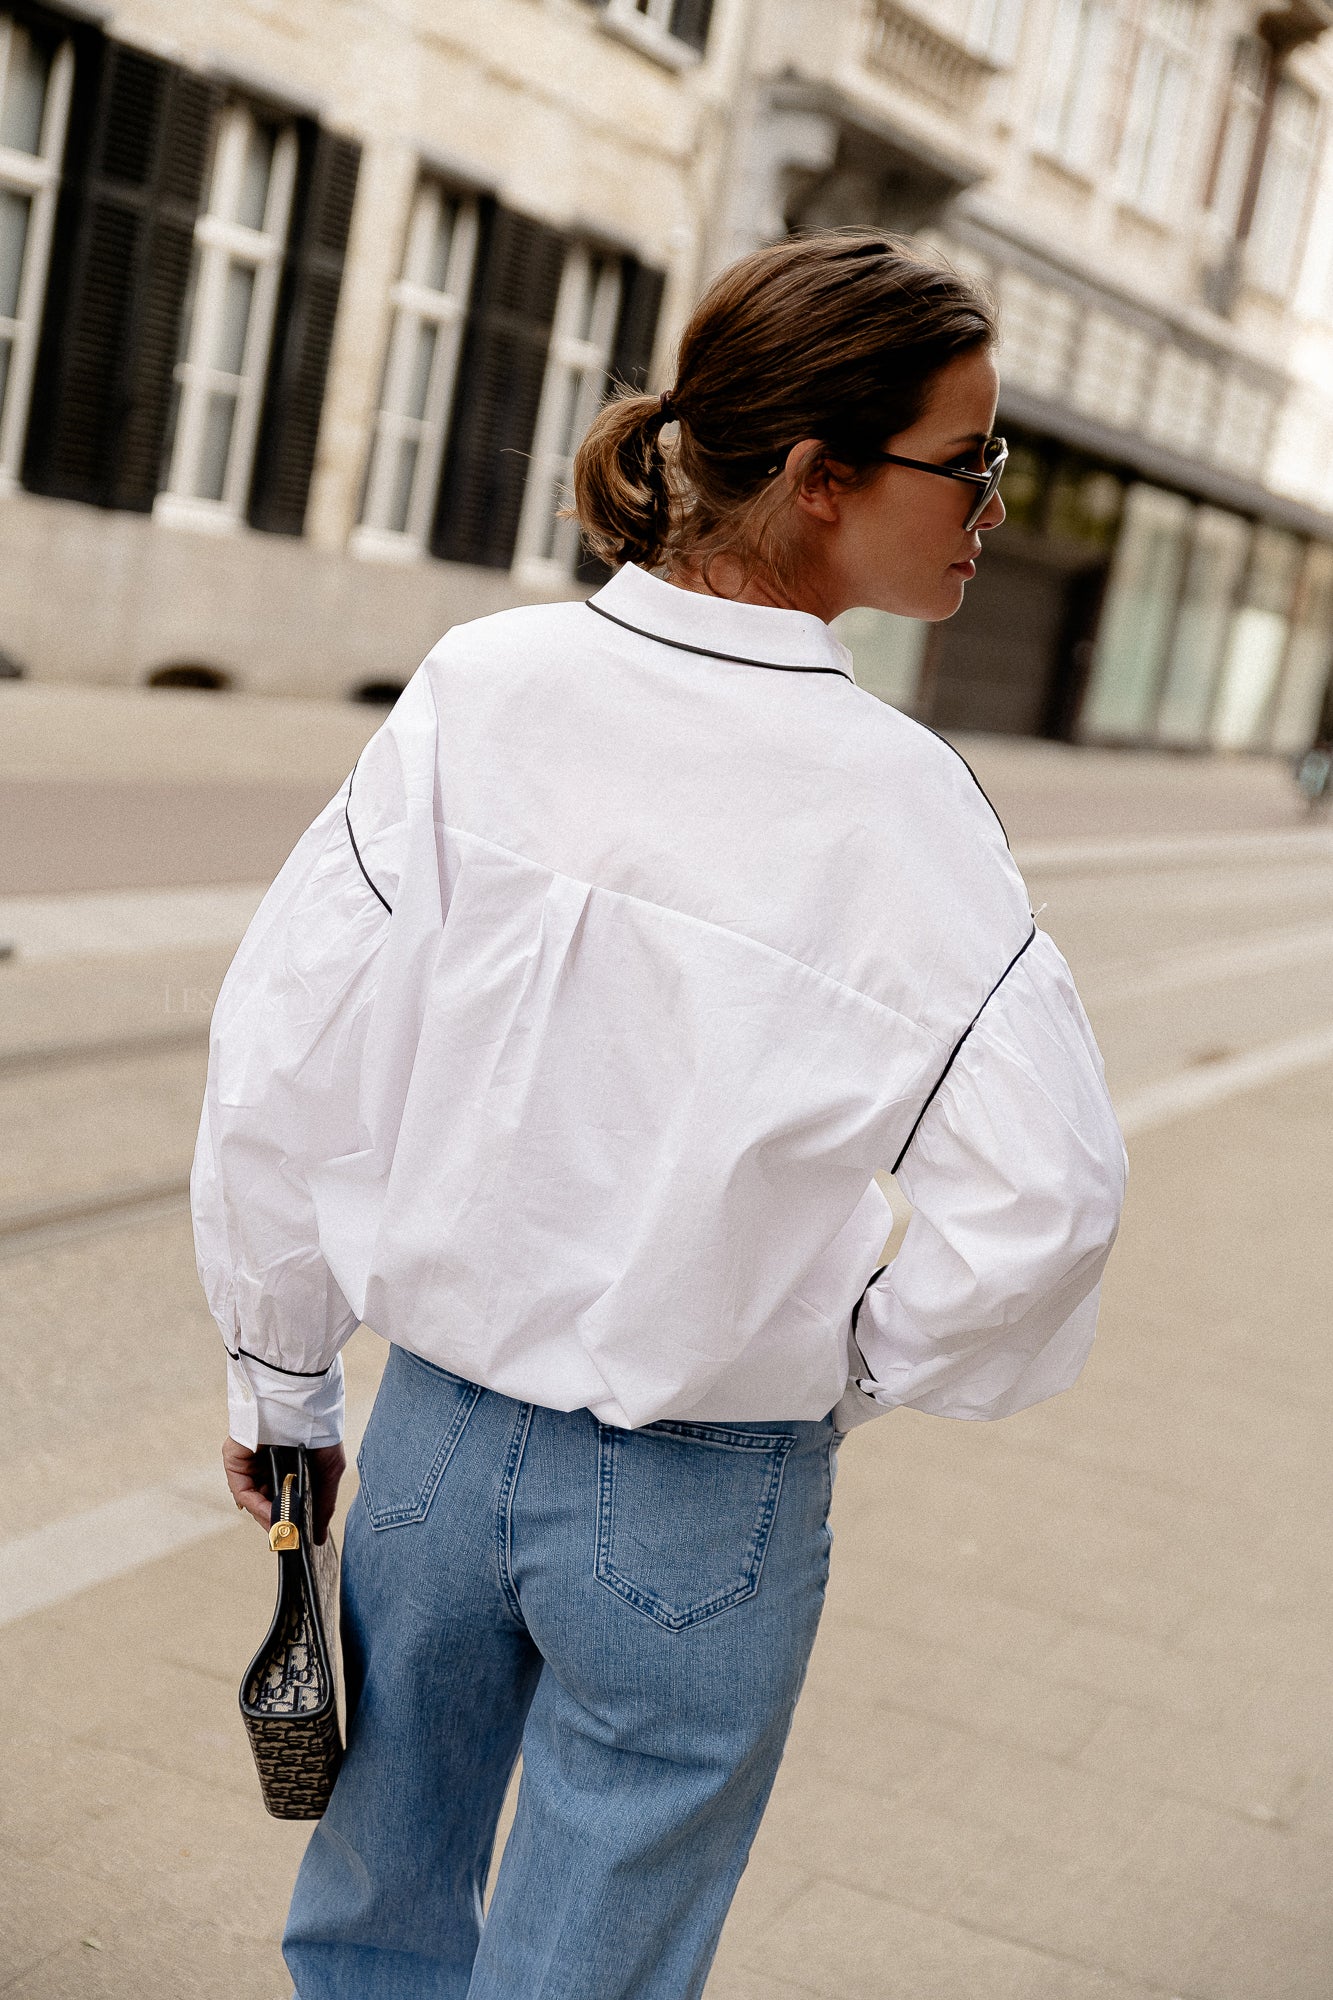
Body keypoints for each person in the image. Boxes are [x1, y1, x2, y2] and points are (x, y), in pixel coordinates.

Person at [194, 229, 1127, 2000]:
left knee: (372, 1912)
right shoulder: (907, 808)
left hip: (436, 1450)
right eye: (973, 460)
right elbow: (1053, 1201)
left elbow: (282, 1051)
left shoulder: (485, 686)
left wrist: (281, 1376)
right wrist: (850, 1358)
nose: (993, 503)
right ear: (818, 477)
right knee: (593, 1966)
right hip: (708, 1489)